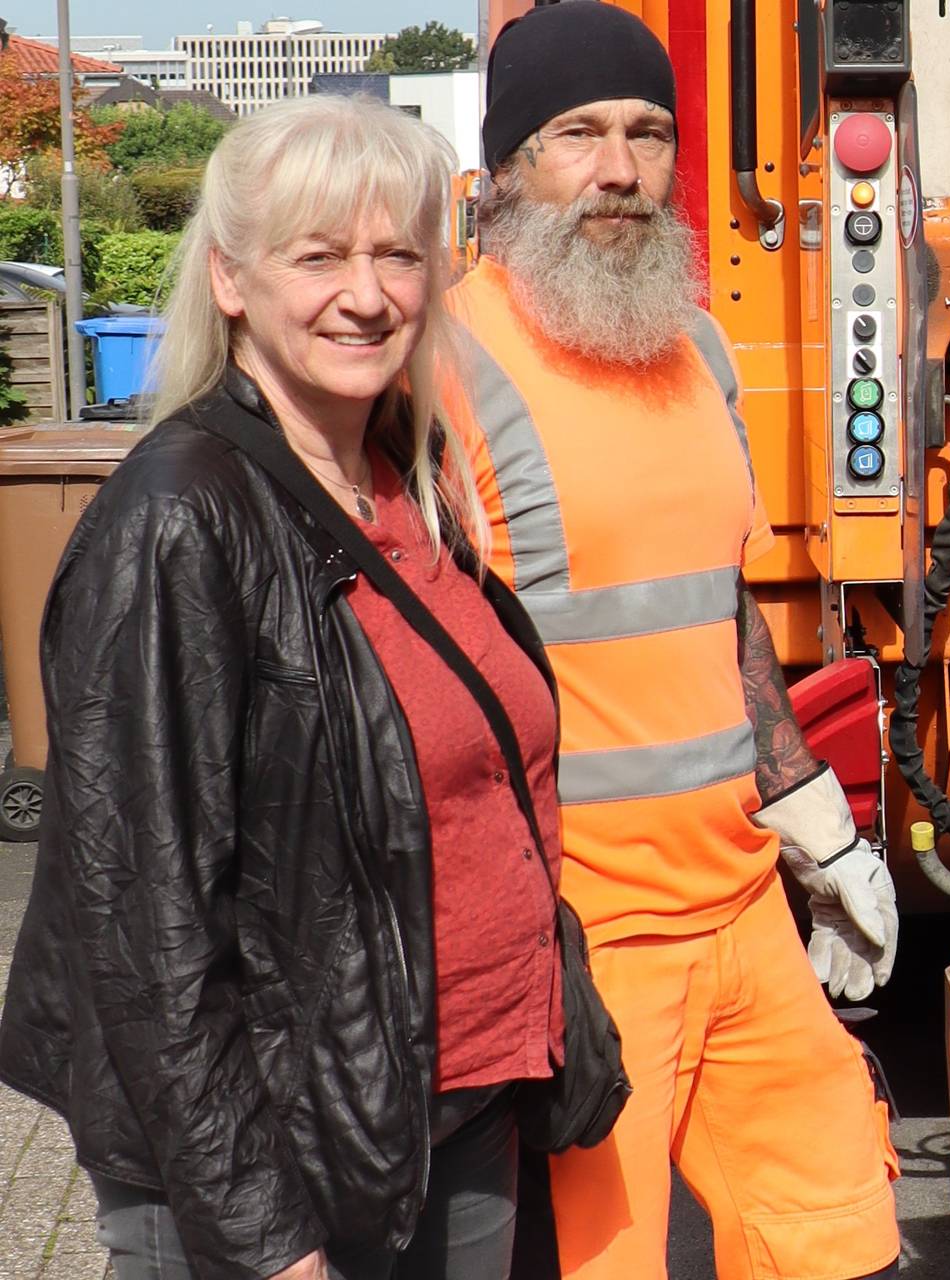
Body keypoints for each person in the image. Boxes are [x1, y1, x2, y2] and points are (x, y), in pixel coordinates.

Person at [0, 97, 573, 1280]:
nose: (364, 295)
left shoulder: (400, 479)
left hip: (444, 1113)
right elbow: (142, 925)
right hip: (278, 1166)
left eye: (396, 253)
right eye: (317, 256)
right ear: (229, 278)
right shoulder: (179, 517)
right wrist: (265, 1240)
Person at [453, 5, 902, 1277]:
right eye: (575, 135)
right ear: (506, 168)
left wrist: (811, 811)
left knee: (837, 1229)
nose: (618, 169)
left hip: (745, 906)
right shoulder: (445, 362)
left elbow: (724, 605)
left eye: (648, 134)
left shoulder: (696, 346)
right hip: (587, 941)